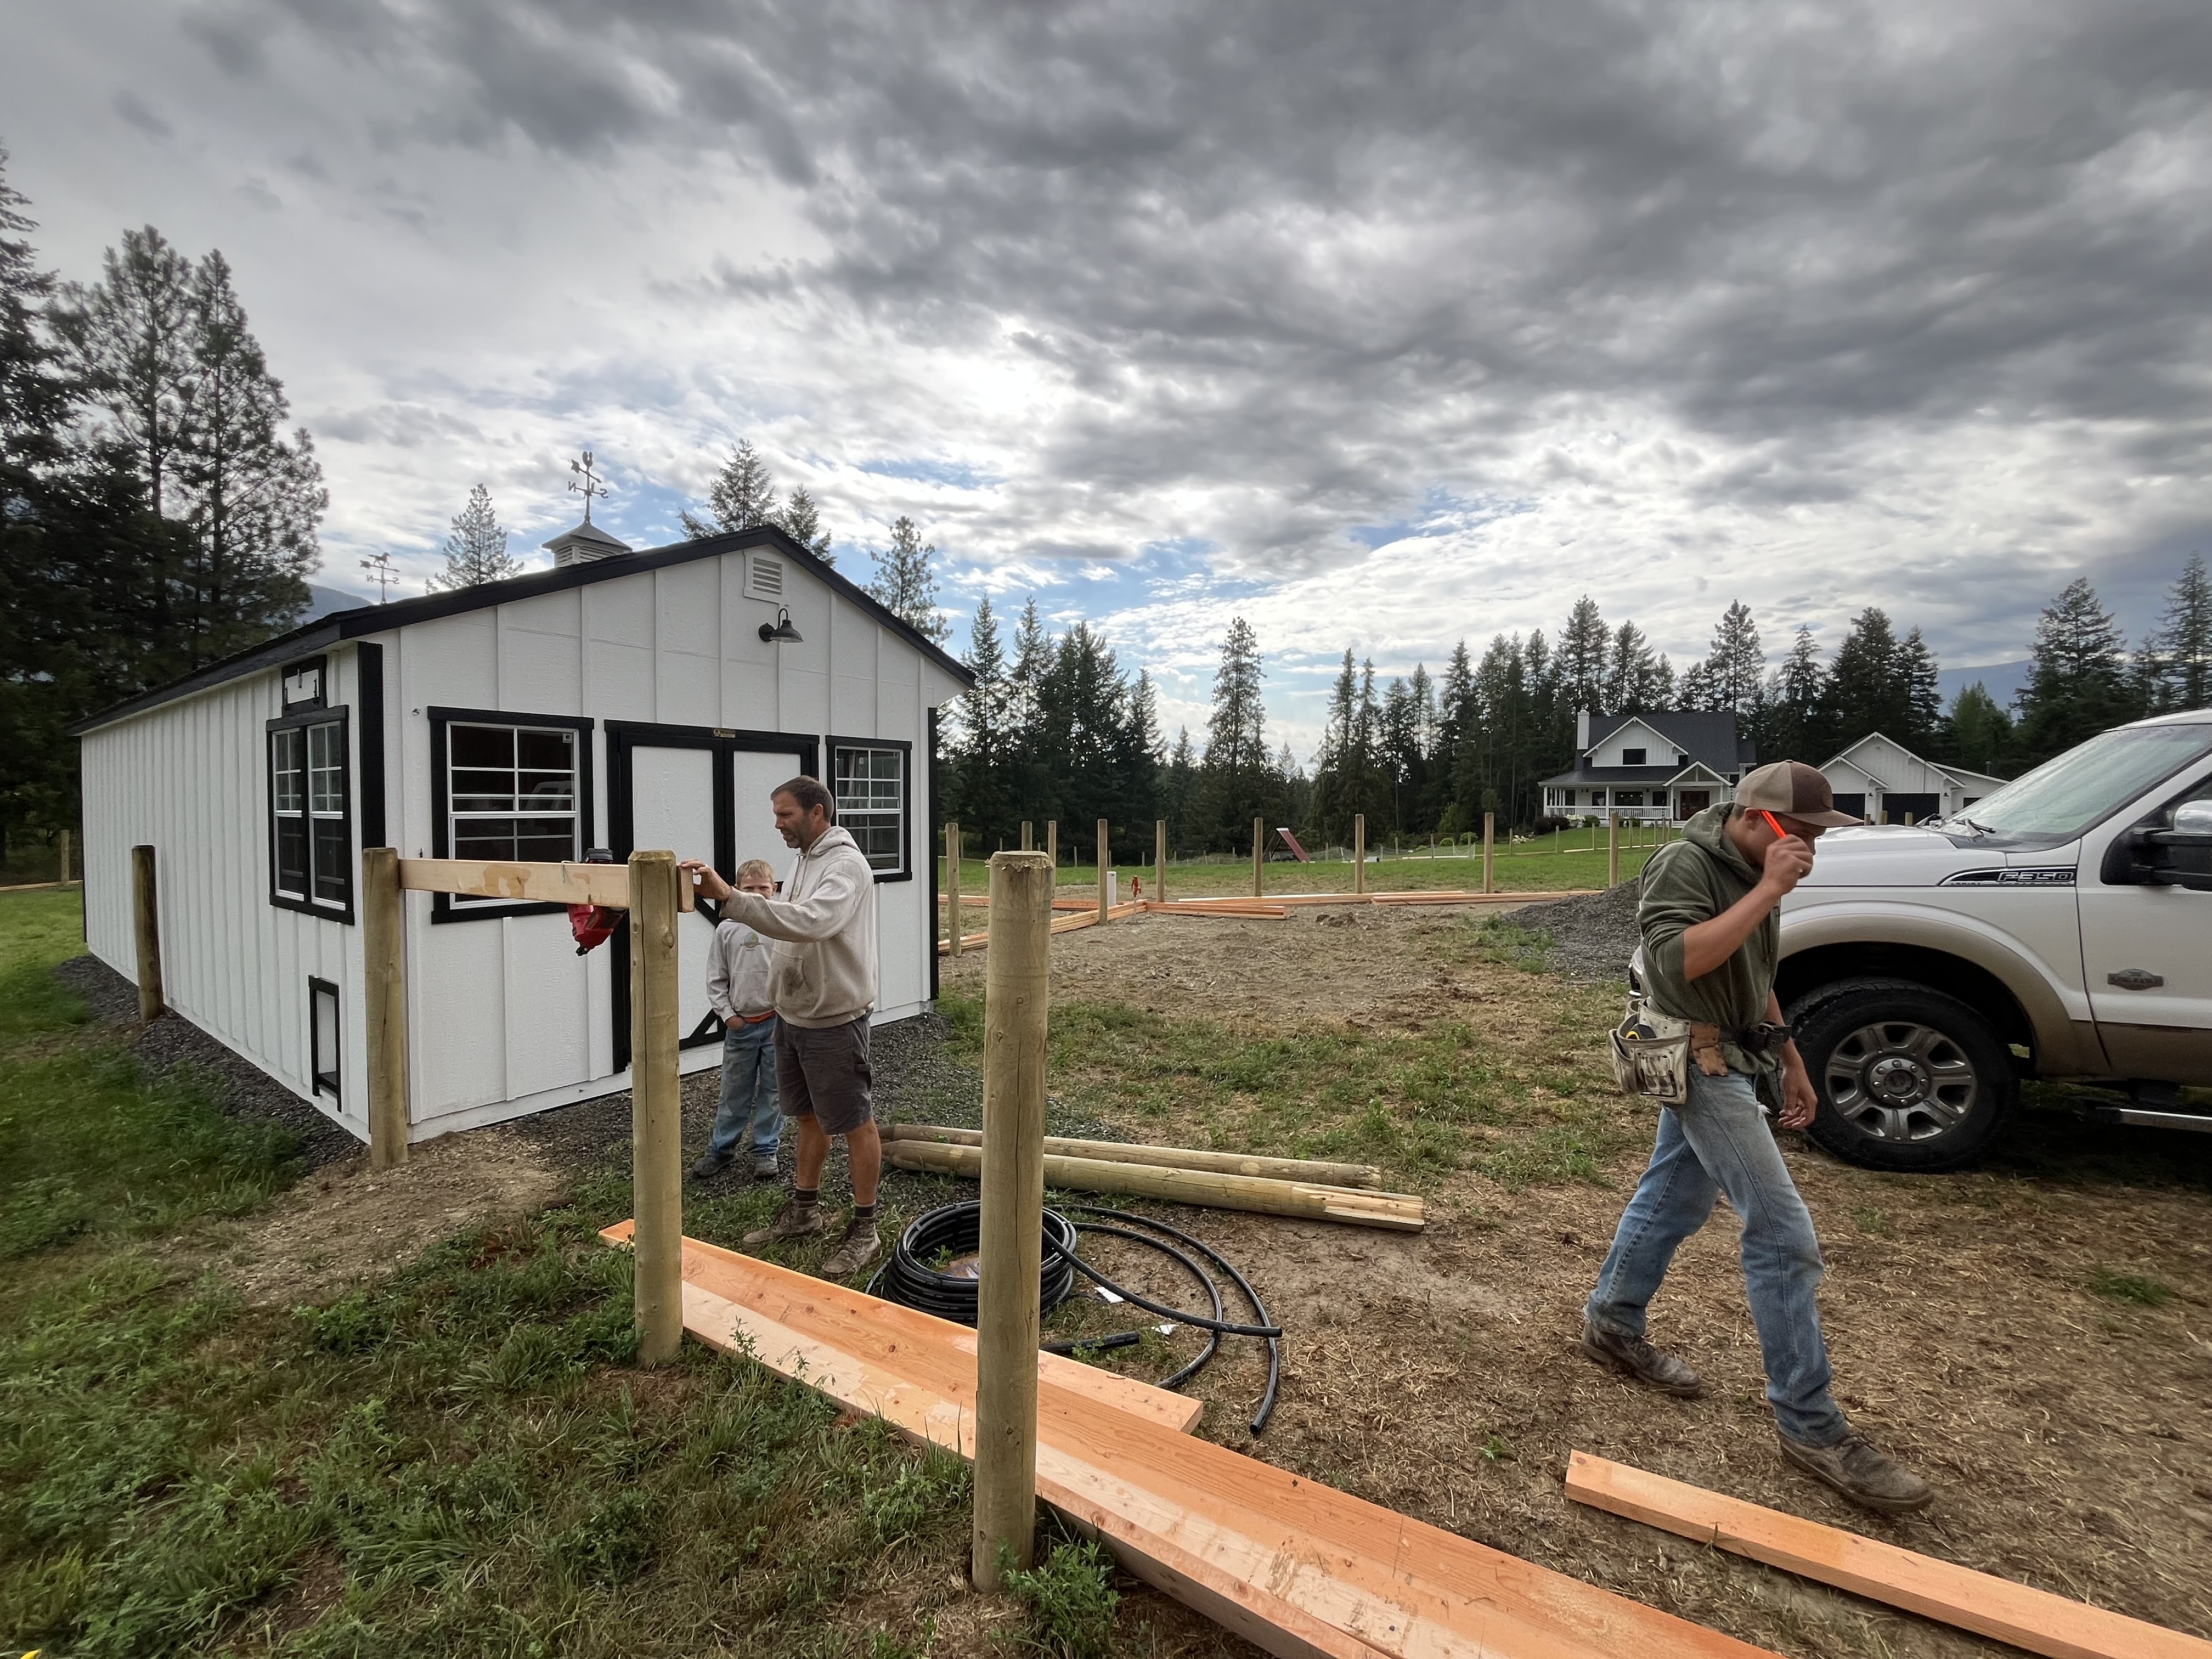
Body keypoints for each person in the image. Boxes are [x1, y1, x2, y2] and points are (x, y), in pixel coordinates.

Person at [1581, 761, 1934, 1514]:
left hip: (1738, 1053)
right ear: (1753, 817)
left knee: (1674, 1198)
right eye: (1799, 833)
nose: (1810, 849)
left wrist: (1790, 1055)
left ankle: (1611, 1322)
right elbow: (1677, 963)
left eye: (1817, 837)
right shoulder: (1686, 864)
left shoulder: (1752, 870)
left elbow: (1755, 968)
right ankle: (1811, 1426)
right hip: (1696, 1057)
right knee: (1782, 1234)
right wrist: (1770, 890)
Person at [680, 776, 883, 1280]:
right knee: (808, 1119)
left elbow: (811, 922)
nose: (777, 824)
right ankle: (805, 1211)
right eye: (776, 814)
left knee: (855, 1123)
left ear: (817, 813)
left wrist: (730, 896)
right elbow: (785, 920)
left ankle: (866, 1229)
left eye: (786, 814)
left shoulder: (845, 866)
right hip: (792, 1016)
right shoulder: (803, 860)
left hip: (834, 1018)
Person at [690, 858, 782, 1184]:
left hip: (776, 1025)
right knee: (734, 1093)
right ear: (735, 890)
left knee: (774, 1092)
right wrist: (729, 1017)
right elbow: (716, 979)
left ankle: (766, 1151)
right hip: (742, 1026)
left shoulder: (782, 925)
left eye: (763, 888)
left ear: (774, 889)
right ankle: (722, 1150)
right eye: (748, 888)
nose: (756, 894)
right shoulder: (727, 929)